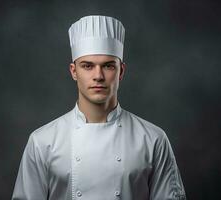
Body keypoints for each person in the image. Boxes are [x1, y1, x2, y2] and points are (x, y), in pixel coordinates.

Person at [12, 15, 186, 200]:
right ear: (74, 71)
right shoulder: (42, 142)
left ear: (121, 71)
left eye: (108, 66)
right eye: (87, 66)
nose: (98, 76)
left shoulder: (153, 140)